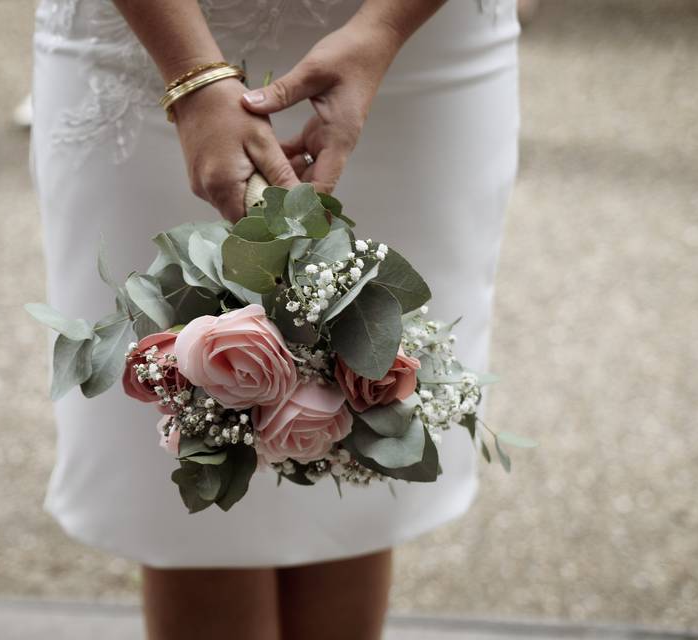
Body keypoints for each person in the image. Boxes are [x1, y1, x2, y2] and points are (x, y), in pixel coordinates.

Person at [30, 0, 519, 637]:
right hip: (154, 37)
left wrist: (382, 29)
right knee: (187, 474)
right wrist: (194, 76)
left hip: (419, 51)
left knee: (370, 425)